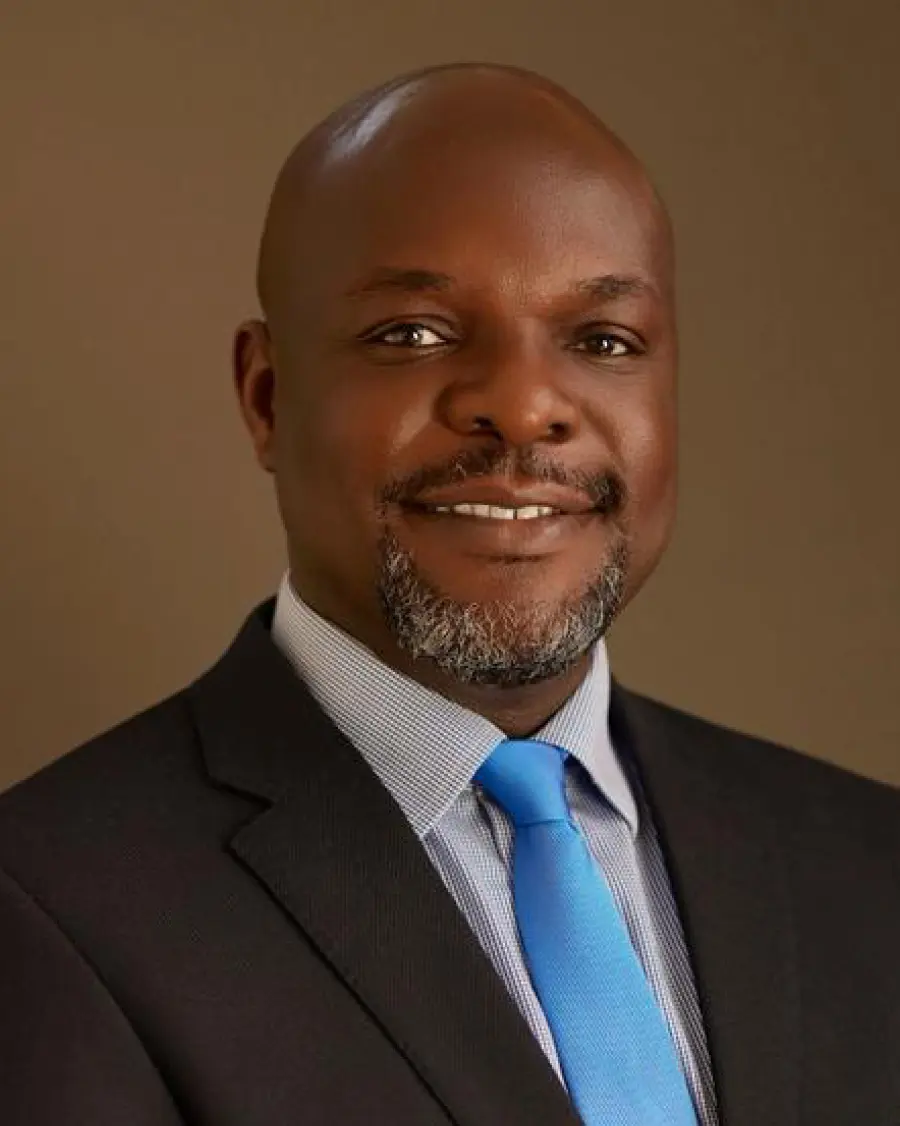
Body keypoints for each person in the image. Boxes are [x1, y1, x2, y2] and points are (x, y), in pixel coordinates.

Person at [0, 62, 897, 1126]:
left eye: (603, 340)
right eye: (413, 334)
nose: (522, 409)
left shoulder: (867, 865)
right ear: (267, 397)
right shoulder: (49, 910)